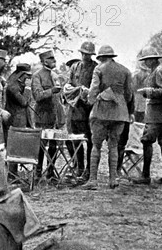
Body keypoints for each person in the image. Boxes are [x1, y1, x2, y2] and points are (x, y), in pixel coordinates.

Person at [83, 45, 133, 190]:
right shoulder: (125, 70)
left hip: (101, 113)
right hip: (120, 113)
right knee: (114, 145)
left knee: (96, 145)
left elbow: (94, 90)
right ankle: (113, 179)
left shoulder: (98, 69)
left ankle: (93, 180)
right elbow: (129, 95)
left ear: (100, 57)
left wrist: (90, 101)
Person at [133, 47, 162, 186]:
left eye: (147, 60)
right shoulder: (157, 70)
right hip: (161, 114)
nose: (145, 63)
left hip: (157, 115)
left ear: (153, 59)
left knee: (147, 141)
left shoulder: (159, 71)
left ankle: (145, 175)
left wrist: (147, 92)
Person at [63, 41, 98, 179]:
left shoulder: (96, 68)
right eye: (84, 53)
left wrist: (87, 93)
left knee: (90, 140)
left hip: (89, 109)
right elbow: (69, 84)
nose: (85, 56)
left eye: (88, 54)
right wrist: (73, 91)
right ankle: (79, 167)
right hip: (74, 109)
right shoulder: (74, 67)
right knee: (73, 140)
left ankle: (89, 170)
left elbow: (96, 88)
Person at [32, 50, 64, 181]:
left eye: (54, 58)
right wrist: (52, 91)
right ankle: (38, 172)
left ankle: (50, 172)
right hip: (42, 116)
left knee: (53, 145)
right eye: (51, 59)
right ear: (45, 61)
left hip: (55, 116)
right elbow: (38, 95)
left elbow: (60, 98)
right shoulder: (37, 76)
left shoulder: (55, 75)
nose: (54, 61)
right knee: (40, 145)